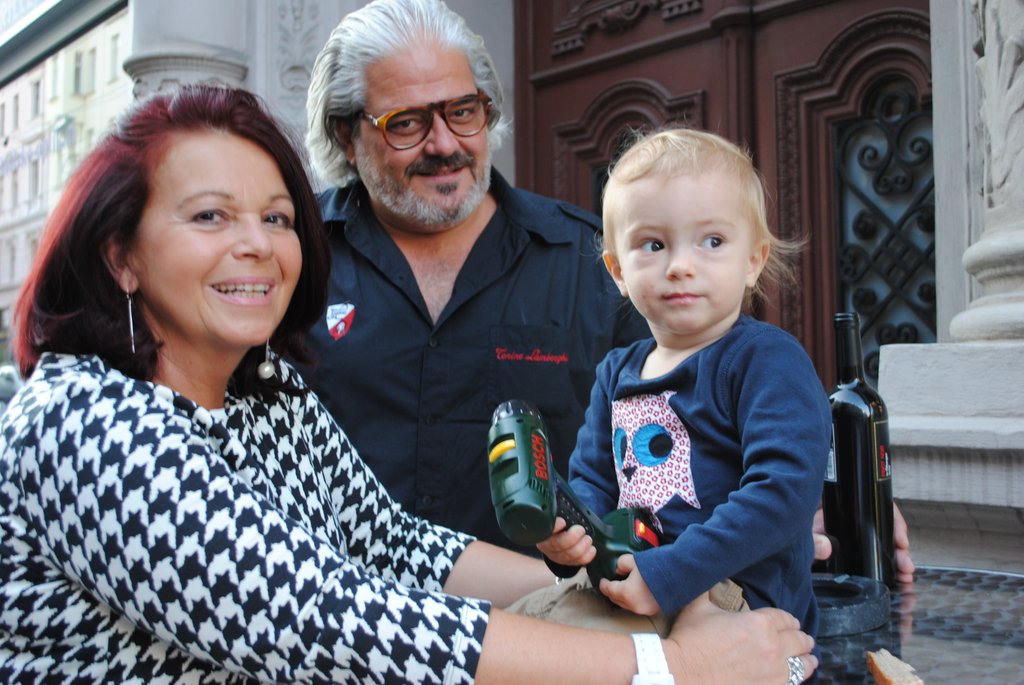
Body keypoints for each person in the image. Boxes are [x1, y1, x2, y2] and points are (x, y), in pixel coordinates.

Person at [0, 84, 817, 684]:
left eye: (277, 217)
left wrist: (639, 580)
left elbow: (393, 543)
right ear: (121, 256)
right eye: (210, 215)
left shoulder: (266, 390)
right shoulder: (84, 420)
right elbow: (329, 619)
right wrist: (672, 665)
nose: (256, 244)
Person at [301, 0, 650, 549]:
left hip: (549, 603)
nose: (444, 145)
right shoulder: (293, 255)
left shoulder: (591, 263)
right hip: (334, 602)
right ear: (347, 136)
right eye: (406, 123)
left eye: (463, 111)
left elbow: (675, 437)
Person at [526, 129, 830, 646]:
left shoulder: (765, 361)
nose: (681, 266)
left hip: (732, 597)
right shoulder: (616, 373)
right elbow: (592, 483)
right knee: (514, 625)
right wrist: (570, 538)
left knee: (557, 653)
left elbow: (783, 493)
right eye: (654, 245)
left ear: (753, 260)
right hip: (630, 581)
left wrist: (670, 573)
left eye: (712, 242)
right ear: (618, 271)